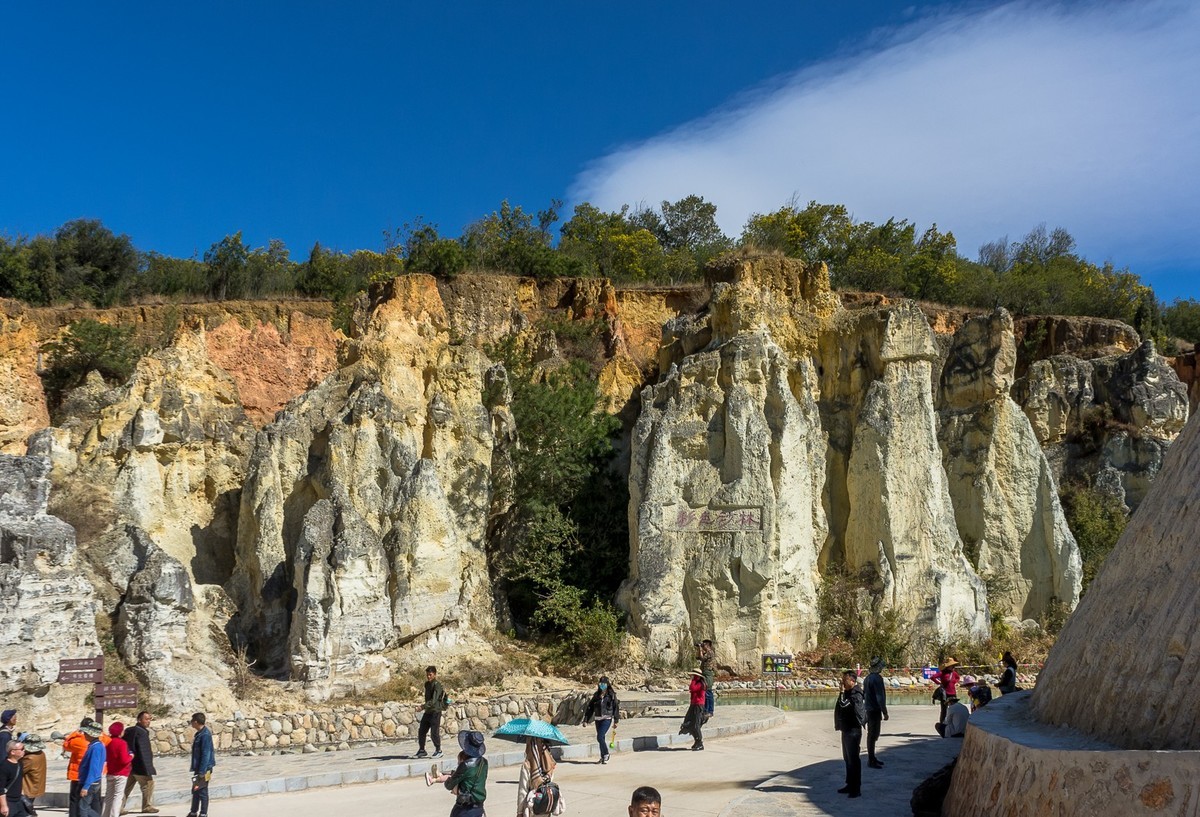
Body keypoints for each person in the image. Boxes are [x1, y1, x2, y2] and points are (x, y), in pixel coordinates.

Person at [833, 669, 866, 799]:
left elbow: (844, 705)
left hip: (853, 731)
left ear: (852, 681)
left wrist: (841, 693)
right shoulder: (848, 692)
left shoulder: (856, 694)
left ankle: (856, 788)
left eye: (845, 680)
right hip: (846, 729)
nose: (842, 682)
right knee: (847, 759)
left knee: (854, 760)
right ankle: (849, 784)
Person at [121, 711, 159, 814]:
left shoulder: (129, 731)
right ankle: (147, 806)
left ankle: (119, 807)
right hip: (140, 766)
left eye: (150, 719)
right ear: (139, 720)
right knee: (148, 784)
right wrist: (148, 768)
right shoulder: (142, 733)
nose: (148, 721)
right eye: (146, 719)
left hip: (129, 764)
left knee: (126, 788)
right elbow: (144, 752)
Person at [442, 731, 487, 817]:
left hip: (465, 808)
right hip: (479, 806)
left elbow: (449, 785)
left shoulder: (466, 765)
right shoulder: (484, 763)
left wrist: (446, 779)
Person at [582, 676, 620, 764]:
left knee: (599, 736)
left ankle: (606, 753)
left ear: (607, 684)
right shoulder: (596, 695)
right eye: (601, 684)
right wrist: (586, 720)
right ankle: (603, 757)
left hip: (607, 718)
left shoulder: (612, 695)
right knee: (601, 738)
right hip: (598, 719)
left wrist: (616, 721)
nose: (602, 685)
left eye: (604, 684)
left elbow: (616, 708)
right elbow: (590, 708)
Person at [515, 736, 556, 817]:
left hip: (532, 809)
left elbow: (523, 792)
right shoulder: (551, 764)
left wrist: (519, 812)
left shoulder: (527, 765)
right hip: (546, 807)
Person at [863, 657, 889, 769]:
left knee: (872, 734)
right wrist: (885, 712)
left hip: (868, 709)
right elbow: (880, 697)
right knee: (873, 735)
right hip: (874, 710)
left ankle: (872, 757)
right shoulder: (877, 679)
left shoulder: (867, 678)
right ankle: (871, 759)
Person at [416, 666, 447, 760]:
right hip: (428, 711)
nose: (428, 676)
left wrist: (422, 706)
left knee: (434, 732)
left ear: (434, 674)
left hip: (435, 711)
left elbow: (434, 700)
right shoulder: (427, 684)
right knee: (422, 731)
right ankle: (422, 750)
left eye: (430, 674)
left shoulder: (437, 685)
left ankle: (439, 750)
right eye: (427, 675)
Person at [188, 713, 214, 817]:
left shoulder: (205, 735)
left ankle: (203, 813)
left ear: (196, 722)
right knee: (196, 790)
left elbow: (205, 754)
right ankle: (193, 812)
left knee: (202, 791)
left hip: (204, 769)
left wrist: (202, 771)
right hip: (199, 768)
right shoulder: (200, 733)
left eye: (192, 720)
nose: (191, 722)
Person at [102, 724, 131, 817]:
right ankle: (114, 815)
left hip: (110, 771)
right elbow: (124, 760)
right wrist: (131, 756)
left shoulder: (108, 742)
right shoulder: (122, 743)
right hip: (121, 773)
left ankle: (104, 814)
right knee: (118, 797)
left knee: (108, 796)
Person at [77, 722, 105, 817]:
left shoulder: (96, 748)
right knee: (84, 806)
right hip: (92, 781)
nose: (84, 735)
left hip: (91, 782)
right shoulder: (96, 745)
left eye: (86, 733)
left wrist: (86, 786)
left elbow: (94, 768)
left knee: (83, 808)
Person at [679, 670, 706, 751]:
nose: (693, 677)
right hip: (694, 705)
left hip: (698, 705)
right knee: (689, 722)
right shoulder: (698, 683)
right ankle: (696, 741)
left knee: (696, 724)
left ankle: (699, 743)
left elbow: (692, 688)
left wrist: (694, 680)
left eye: (694, 675)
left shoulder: (700, 684)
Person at [19, 735, 45, 817]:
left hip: (29, 787)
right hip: (36, 785)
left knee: (26, 809)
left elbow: (19, 770)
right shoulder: (41, 753)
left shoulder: (30, 758)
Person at [930, 658, 961, 725]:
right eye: (952, 666)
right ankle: (942, 724)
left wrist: (956, 682)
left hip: (953, 693)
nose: (953, 667)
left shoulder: (954, 673)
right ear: (948, 666)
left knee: (955, 709)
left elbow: (958, 678)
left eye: (954, 666)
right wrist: (939, 683)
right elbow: (933, 677)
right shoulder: (942, 673)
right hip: (945, 694)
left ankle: (953, 723)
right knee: (944, 710)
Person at [0, 741, 27, 817]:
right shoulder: (4, 767)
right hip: (8, 802)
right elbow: (1, 789)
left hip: (19, 801)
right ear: (13, 752)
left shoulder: (20, 764)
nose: (24, 751)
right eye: (22, 749)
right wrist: (4, 806)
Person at [697, 640, 716, 716]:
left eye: (704, 645)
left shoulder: (710, 652)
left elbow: (702, 658)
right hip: (704, 672)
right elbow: (698, 657)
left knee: (708, 691)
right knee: (704, 692)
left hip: (708, 673)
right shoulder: (706, 653)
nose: (702, 646)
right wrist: (699, 649)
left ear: (708, 645)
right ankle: (705, 710)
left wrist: (700, 649)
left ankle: (710, 711)